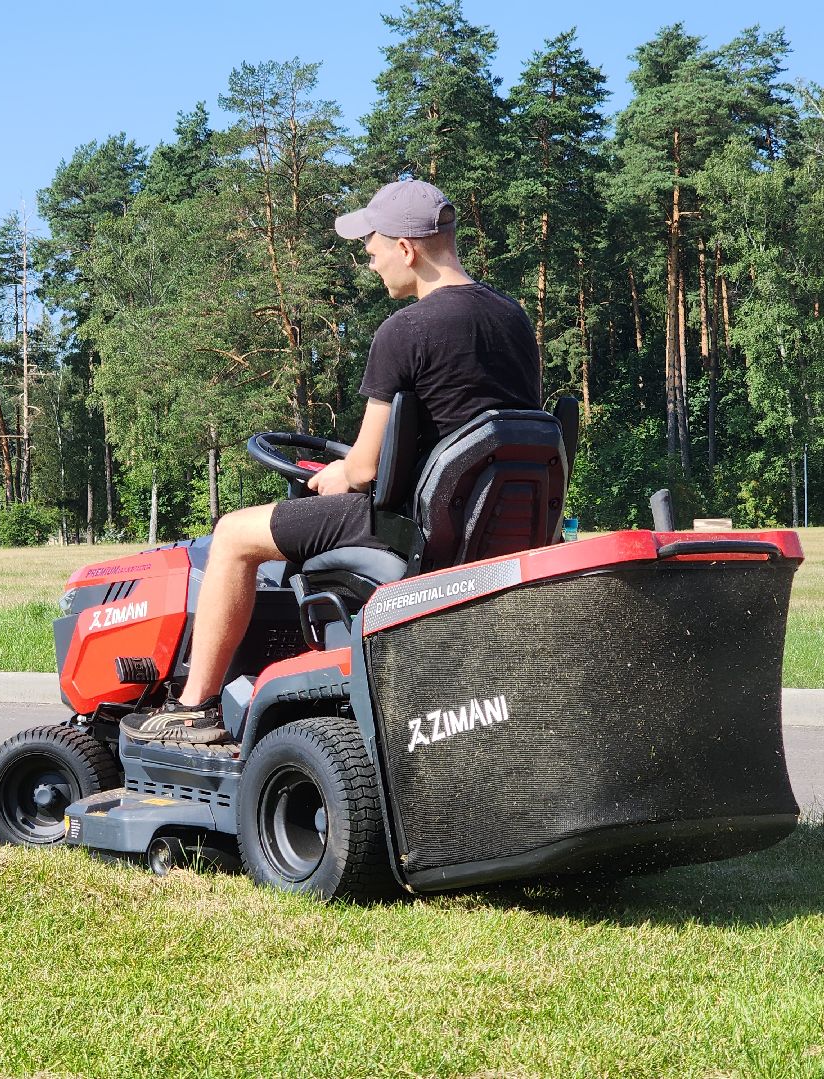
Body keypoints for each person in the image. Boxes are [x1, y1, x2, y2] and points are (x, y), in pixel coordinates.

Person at [121, 179, 541, 744]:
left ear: (407, 248)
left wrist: (332, 476)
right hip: (480, 523)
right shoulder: (512, 319)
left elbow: (364, 468)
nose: (371, 264)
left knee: (231, 536)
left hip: (408, 525)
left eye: (372, 251)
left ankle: (194, 707)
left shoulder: (405, 331)